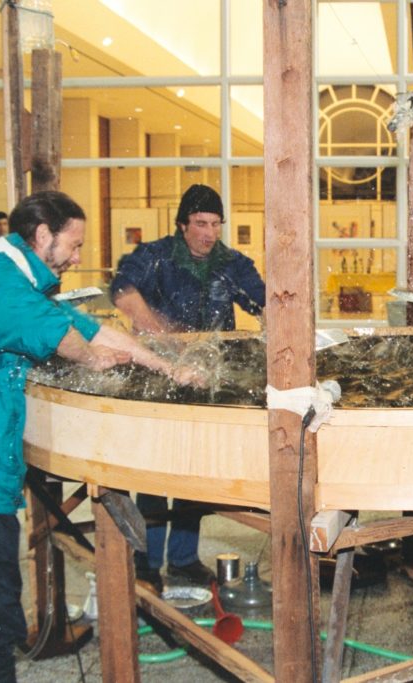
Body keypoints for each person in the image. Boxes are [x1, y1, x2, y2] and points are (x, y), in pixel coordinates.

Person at [0, 191, 200, 682]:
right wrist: (93, 361)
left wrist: (168, 367)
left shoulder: (9, 283)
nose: (78, 257)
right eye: (75, 244)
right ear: (43, 236)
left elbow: (89, 328)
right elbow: (70, 340)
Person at [112, 184, 266, 590]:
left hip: (206, 383)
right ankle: (146, 561)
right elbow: (122, 292)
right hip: (157, 376)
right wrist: (162, 332)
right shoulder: (154, 256)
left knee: (191, 472)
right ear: (182, 225)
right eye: (200, 223)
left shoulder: (232, 264)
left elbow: (264, 300)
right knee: (152, 474)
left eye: (216, 224)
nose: (209, 233)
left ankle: (182, 558)